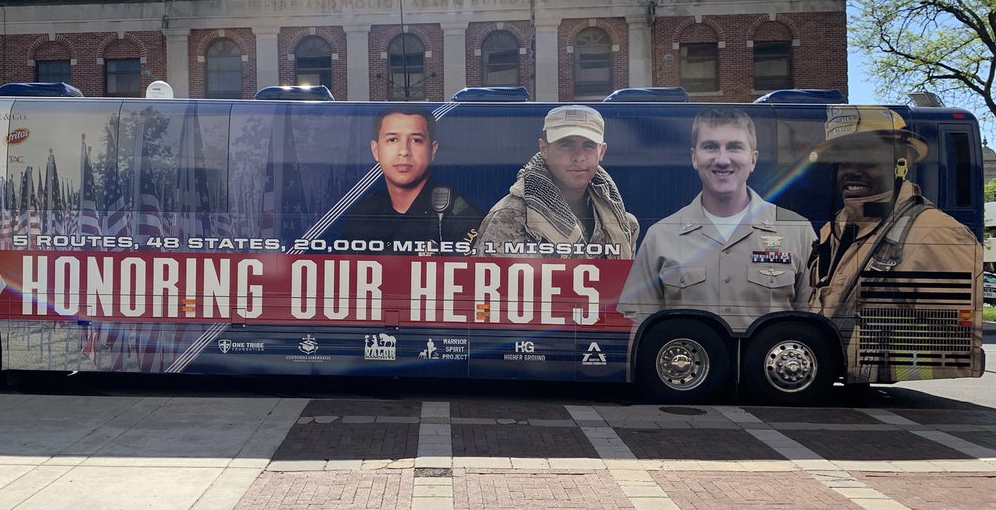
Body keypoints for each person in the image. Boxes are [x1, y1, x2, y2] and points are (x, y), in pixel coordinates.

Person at [808, 106, 983, 382]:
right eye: (843, 161)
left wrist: (866, 367)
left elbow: (957, 349)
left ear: (900, 164)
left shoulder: (938, 234)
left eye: (866, 160)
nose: (851, 172)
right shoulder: (833, 230)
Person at [619, 107, 815, 332]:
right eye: (710, 147)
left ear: (753, 159)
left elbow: (815, 329)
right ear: (695, 157)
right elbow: (640, 334)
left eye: (734, 147)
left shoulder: (798, 232)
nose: (722, 160)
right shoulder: (661, 236)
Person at [474, 105, 638, 257]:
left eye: (588, 145)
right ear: (544, 149)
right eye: (566, 145)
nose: (579, 157)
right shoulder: (509, 217)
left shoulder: (622, 224)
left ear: (601, 152)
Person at [338, 105, 481, 250]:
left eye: (416, 140)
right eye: (392, 140)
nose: (404, 151)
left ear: (432, 150)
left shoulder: (459, 217)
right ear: (376, 151)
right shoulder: (363, 213)